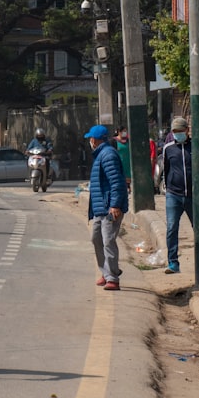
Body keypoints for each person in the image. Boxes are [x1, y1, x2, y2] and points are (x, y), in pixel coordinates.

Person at [86, 124, 128, 291]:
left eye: (91, 138)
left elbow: (116, 182)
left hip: (110, 208)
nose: (90, 141)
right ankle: (108, 271)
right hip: (100, 208)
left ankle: (112, 278)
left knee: (108, 240)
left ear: (96, 140)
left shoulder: (108, 155)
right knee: (96, 239)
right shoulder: (100, 155)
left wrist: (115, 205)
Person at [160, 117, 193, 274]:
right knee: (172, 227)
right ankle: (173, 262)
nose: (178, 134)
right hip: (173, 194)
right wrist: (168, 188)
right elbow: (166, 170)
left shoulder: (195, 146)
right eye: (175, 132)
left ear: (187, 130)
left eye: (181, 131)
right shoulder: (168, 148)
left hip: (193, 196)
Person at [114, 126, 131, 193]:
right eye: (123, 131)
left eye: (125, 131)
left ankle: (128, 187)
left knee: (128, 176)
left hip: (127, 162)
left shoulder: (128, 140)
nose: (125, 133)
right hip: (119, 162)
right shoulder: (114, 141)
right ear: (119, 132)